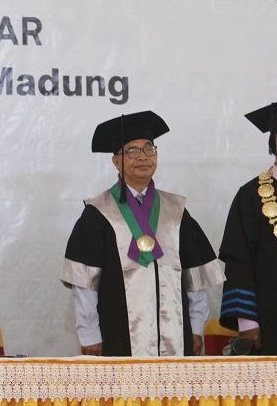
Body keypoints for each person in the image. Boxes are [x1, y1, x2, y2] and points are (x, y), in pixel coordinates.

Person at [59, 111, 224, 357]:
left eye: (149, 148)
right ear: (116, 162)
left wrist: (196, 326)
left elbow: (194, 279)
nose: (143, 157)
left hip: (176, 336)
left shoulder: (176, 212)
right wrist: (90, 334)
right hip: (117, 336)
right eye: (132, 151)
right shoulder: (99, 213)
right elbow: (85, 284)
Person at [219, 97, 277, 355]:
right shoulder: (250, 196)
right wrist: (247, 322)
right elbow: (239, 262)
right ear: (274, 142)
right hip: (273, 321)